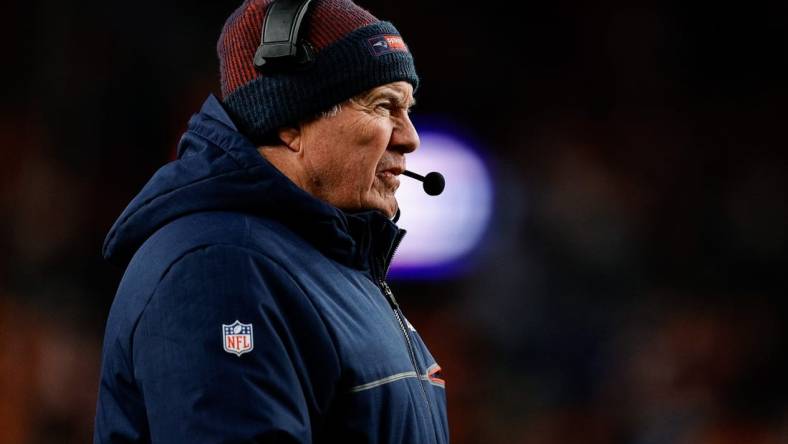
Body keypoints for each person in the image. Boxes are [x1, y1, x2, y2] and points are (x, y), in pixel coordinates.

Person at [93, 0, 448, 443]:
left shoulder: (327, 264)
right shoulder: (219, 270)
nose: (410, 137)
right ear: (290, 122)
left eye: (408, 108)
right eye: (383, 106)